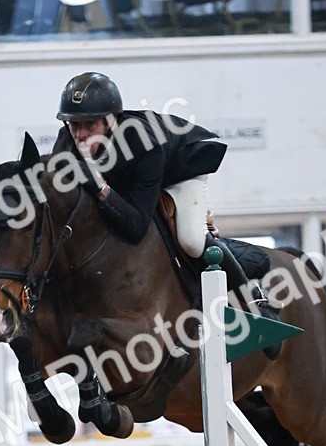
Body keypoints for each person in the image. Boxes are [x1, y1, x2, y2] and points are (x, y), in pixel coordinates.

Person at [53, 71, 280, 334]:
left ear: (109, 121)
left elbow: (136, 226)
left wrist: (101, 188)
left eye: (89, 124)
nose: (80, 134)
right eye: (73, 124)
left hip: (177, 171)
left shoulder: (144, 142)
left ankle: (255, 300)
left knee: (191, 240)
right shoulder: (66, 144)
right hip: (131, 181)